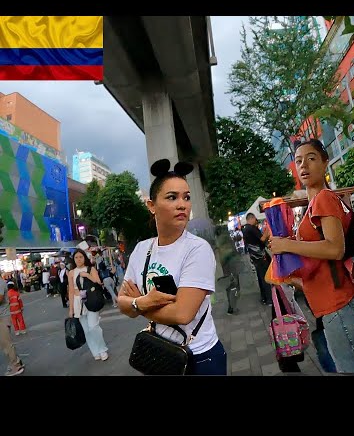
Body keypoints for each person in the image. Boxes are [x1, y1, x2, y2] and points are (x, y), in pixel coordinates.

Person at [269, 139, 354, 373]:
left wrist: (286, 244)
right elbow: (320, 260)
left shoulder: (324, 199)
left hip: (339, 304)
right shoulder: (315, 202)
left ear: (325, 163)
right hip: (336, 304)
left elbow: (334, 249)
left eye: (312, 158)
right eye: (298, 161)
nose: (304, 165)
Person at [117, 159, 226, 375]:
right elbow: (121, 302)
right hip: (161, 353)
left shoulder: (197, 250)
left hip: (201, 358)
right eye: (171, 197)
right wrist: (142, 302)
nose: (182, 204)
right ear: (151, 206)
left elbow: (183, 314)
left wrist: (139, 304)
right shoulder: (141, 250)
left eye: (186, 197)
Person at [68, 249, 110, 361]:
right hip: (78, 303)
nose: (78, 259)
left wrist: (87, 275)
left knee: (93, 327)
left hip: (91, 299)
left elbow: (98, 283)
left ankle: (102, 350)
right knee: (86, 330)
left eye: (80, 257)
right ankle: (95, 351)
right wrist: (71, 309)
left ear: (84, 258)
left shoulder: (91, 269)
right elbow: (71, 291)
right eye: (76, 257)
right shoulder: (71, 273)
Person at [242, 213, 272, 305]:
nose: (256, 221)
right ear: (252, 218)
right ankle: (269, 299)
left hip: (255, 257)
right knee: (265, 277)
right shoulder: (251, 228)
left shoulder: (245, 229)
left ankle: (264, 298)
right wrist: (268, 229)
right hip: (260, 256)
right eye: (255, 219)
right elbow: (262, 239)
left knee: (260, 277)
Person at [0, 274, 25, 376]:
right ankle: (17, 360)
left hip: (2, 317)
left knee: (6, 343)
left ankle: (16, 366)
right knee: (4, 343)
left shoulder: (0, 283)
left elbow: (0, 299)